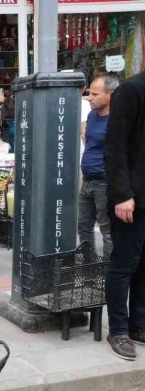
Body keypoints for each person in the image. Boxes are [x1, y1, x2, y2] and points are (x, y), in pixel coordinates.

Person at [103, 71, 145, 362]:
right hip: (130, 199)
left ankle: (139, 325)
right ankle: (118, 330)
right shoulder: (130, 90)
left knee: (144, 267)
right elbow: (115, 148)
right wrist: (122, 195)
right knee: (124, 266)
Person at [78, 75, 117, 261]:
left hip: (104, 182)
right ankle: (89, 267)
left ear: (110, 95)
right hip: (87, 180)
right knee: (83, 226)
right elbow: (88, 141)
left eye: (95, 94)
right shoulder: (92, 115)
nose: (89, 97)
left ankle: (108, 272)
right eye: (89, 93)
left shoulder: (117, 119)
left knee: (107, 229)